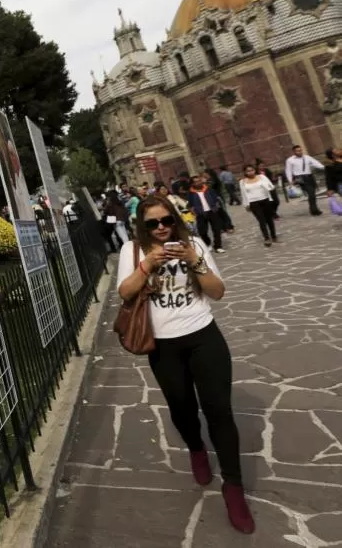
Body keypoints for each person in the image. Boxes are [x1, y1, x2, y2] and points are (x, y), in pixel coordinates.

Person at [117, 196, 254, 534]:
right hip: (163, 347)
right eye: (153, 223)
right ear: (142, 226)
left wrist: (196, 261)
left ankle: (233, 487)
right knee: (182, 409)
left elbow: (217, 292)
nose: (161, 228)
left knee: (219, 411)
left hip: (203, 337)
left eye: (166, 220)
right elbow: (125, 292)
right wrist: (147, 264)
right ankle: (196, 447)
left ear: (175, 219)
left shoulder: (193, 244)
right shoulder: (132, 250)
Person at [239, 165, 277, 246]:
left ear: (254, 170)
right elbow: (243, 194)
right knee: (261, 220)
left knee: (269, 219)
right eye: (248, 171)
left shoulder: (262, 177)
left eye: (252, 170)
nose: (250, 172)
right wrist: (246, 205)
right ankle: (266, 238)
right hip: (253, 203)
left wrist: (268, 187)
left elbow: (271, 186)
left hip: (265, 200)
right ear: (245, 172)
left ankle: (273, 235)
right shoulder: (242, 182)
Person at [189, 174, 226, 253]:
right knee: (202, 231)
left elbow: (215, 198)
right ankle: (208, 244)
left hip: (212, 211)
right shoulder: (191, 193)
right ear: (192, 184)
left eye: (199, 181)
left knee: (217, 229)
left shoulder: (208, 189)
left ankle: (218, 246)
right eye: (196, 182)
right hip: (200, 214)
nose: (198, 183)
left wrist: (216, 206)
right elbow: (190, 204)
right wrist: (194, 211)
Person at [284, 145, 324, 216]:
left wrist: (324, 167)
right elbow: (288, 171)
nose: (300, 152)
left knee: (312, 193)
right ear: (294, 152)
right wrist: (290, 180)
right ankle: (314, 210)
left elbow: (316, 163)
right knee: (311, 193)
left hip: (310, 177)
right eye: (298, 151)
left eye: (300, 150)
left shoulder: (307, 157)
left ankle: (313, 209)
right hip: (300, 179)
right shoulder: (290, 160)